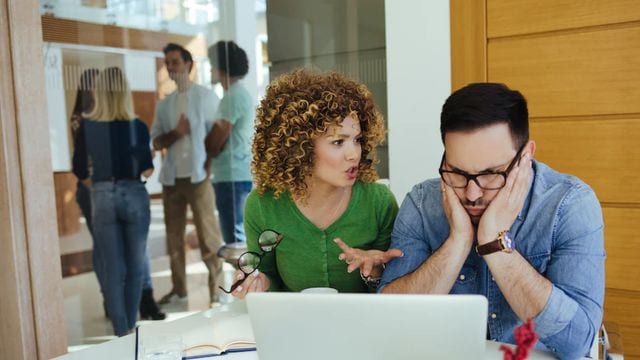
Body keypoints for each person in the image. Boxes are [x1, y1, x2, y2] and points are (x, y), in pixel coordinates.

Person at [380, 83, 605, 359]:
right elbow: (390, 321)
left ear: (526, 156)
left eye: (491, 175)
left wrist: (494, 243)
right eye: (457, 172)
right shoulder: (422, 202)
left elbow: (577, 342)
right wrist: (458, 242)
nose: (472, 194)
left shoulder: (570, 204)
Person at [229, 69, 402, 299]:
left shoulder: (379, 202)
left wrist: (376, 271)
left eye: (357, 140)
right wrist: (255, 282)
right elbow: (267, 277)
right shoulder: (263, 206)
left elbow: (395, 290)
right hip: (296, 327)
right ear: (299, 148)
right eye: (338, 142)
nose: (354, 154)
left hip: (365, 327)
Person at [72, 67, 155, 336]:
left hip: (102, 195)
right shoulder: (138, 126)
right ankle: (130, 328)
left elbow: (80, 171)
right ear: (124, 92)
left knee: (111, 267)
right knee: (135, 265)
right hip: (133, 194)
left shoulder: (87, 126)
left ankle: (120, 330)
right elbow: (147, 170)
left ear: (99, 92)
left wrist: (101, 183)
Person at [152, 43, 223, 305]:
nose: (170, 67)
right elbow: (156, 142)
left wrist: (209, 167)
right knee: (173, 237)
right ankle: (179, 288)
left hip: (199, 177)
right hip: (172, 179)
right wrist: (176, 134)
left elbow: (219, 136)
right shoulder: (165, 105)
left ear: (188, 65)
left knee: (208, 235)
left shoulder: (206, 97)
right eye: (167, 63)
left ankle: (217, 288)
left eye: (174, 62)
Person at [205, 40, 254, 260]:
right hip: (232, 174)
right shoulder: (234, 95)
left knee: (236, 241)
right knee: (236, 237)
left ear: (222, 67)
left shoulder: (233, 96)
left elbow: (213, 142)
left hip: (233, 176)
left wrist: (211, 142)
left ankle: (243, 292)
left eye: (212, 64)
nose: (210, 69)